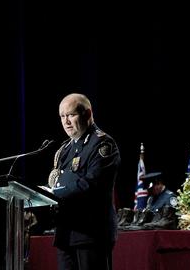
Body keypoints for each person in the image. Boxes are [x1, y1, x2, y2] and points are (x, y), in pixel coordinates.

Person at [48, 93, 121, 270]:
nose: (66, 122)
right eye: (62, 116)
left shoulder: (103, 144)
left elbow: (91, 184)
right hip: (67, 232)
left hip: (91, 233)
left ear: (88, 114)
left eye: (71, 115)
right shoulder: (66, 148)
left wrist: (53, 194)